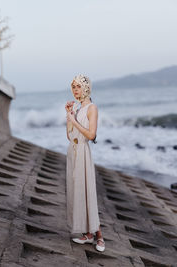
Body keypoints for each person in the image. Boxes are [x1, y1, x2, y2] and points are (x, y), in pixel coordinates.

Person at [65, 74, 105, 252]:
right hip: (72, 152)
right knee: (78, 192)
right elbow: (70, 135)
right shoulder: (78, 109)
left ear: (86, 88)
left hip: (83, 152)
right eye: (73, 87)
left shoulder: (91, 108)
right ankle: (88, 234)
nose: (75, 90)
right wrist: (69, 115)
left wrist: (74, 121)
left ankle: (99, 236)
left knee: (88, 191)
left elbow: (91, 135)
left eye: (78, 87)